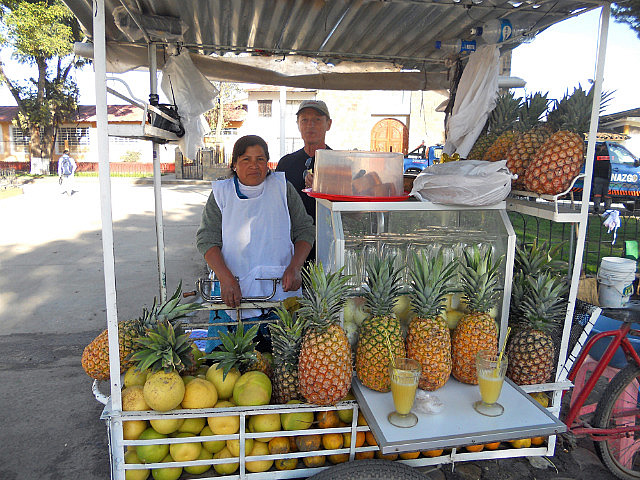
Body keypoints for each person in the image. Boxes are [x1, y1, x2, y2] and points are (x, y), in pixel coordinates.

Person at [196, 135, 314, 353]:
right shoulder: (221, 194)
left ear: (267, 163)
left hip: (279, 291)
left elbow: (305, 230)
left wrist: (295, 267)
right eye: (246, 159)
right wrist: (225, 277)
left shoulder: (282, 188)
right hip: (233, 291)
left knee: (282, 360)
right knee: (227, 362)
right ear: (234, 164)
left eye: (260, 159)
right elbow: (207, 239)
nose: (254, 165)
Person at [276, 99, 332, 263]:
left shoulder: (339, 163)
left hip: (328, 244)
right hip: (292, 247)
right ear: (298, 125)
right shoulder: (286, 163)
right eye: (304, 120)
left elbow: (353, 212)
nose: (310, 125)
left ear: (328, 124)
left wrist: (325, 188)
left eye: (317, 120)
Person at [592, 143, 611, 213]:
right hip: (607, 178)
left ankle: (597, 208)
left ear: (603, 147)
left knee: (597, 194)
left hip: (598, 177)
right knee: (607, 194)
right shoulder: (611, 155)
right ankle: (607, 208)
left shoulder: (597, 154)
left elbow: (593, 164)